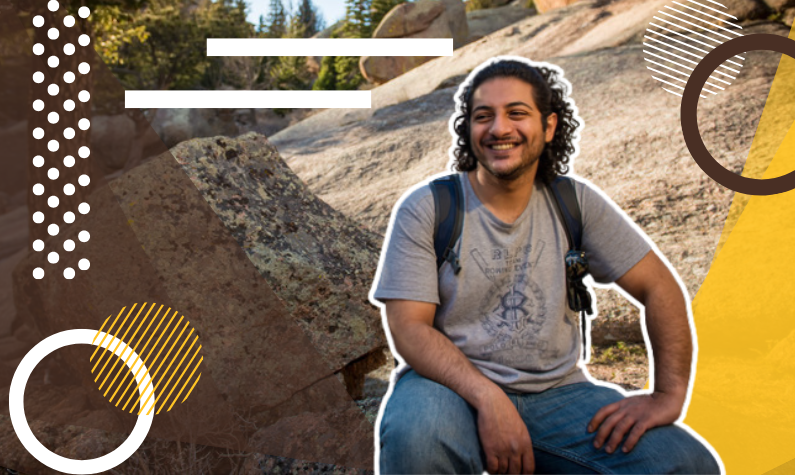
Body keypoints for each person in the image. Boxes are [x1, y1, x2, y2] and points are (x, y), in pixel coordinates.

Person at [368, 56, 722, 474]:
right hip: (447, 387)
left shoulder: (574, 203)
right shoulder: (429, 207)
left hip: (557, 394)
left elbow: (660, 287)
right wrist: (488, 397)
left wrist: (668, 395)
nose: (500, 128)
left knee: (686, 464)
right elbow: (409, 327)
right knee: (418, 438)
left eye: (517, 113)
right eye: (484, 116)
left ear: (549, 126)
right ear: (468, 128)